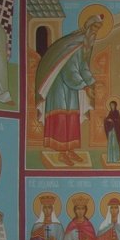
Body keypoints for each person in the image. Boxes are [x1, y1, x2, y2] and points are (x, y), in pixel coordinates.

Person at [35, 16, 102, 166]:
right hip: (59, 87)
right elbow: (69, 71)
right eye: (94, 28)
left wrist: (92, 83)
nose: (95, 32)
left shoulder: (85, 46)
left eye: (98, 29)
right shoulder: (74, 45)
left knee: (72, 117)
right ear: (88, 28)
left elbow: (83, 67)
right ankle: (61, 152)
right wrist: (85, 86)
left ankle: (69, 149)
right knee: (61, 117)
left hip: (71, 88)